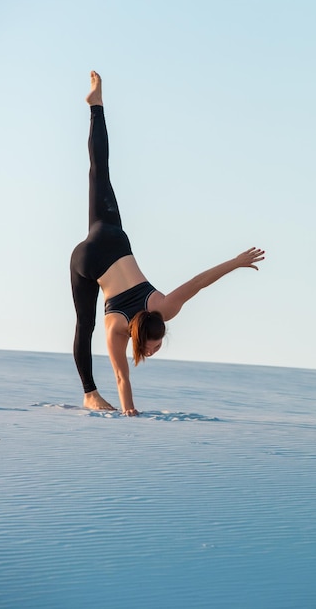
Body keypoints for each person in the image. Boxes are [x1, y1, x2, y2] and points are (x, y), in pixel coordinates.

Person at [70, 71, 265, 416]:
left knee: (100, 170)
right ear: (140, 337)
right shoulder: (117, 330)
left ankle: (96, 106)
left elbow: (197, 283)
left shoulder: (163, 306)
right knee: (84, 325)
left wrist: (235, 263)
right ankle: (88, 393)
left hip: (111, 238)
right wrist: (130, 412)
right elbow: (121, 376)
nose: (156, 349)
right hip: (87, 261)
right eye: (155, 345)